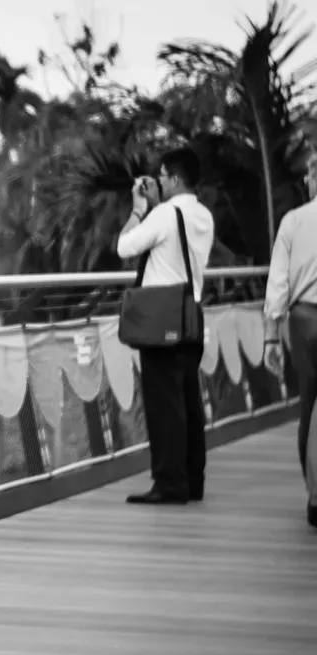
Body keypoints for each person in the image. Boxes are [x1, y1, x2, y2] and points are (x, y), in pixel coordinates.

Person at [116, 146, 216, 505]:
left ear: (174, 178)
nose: (157, 179)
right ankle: (193, 481)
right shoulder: (203, 215)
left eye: (161, 175)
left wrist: (139, 210)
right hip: (191, 316)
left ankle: (169, 483)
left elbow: (125, 247)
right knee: (189, 402)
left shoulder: (163, 215)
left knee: (163, 405)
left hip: (161, 322)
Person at [264, 150, 317, 529]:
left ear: (313, 178)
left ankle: (315, 496)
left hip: (305, 320)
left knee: (310, 407)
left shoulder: (294, 221)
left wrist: (270, 338)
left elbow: (277, 285)